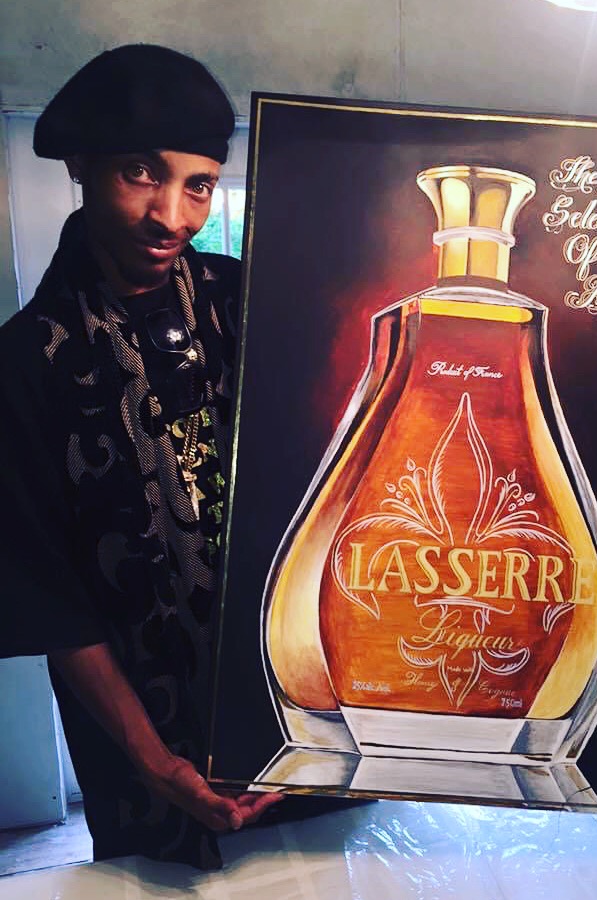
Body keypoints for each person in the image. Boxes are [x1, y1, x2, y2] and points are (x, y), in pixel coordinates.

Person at [0, 44, 284, 870]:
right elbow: (44, 594)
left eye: (199, 185)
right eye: (140, 174)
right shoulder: (24, 362)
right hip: (146, 748)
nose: (171, 216)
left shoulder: (249, 300)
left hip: (299, 708)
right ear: (81, 166)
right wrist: (158, 767)